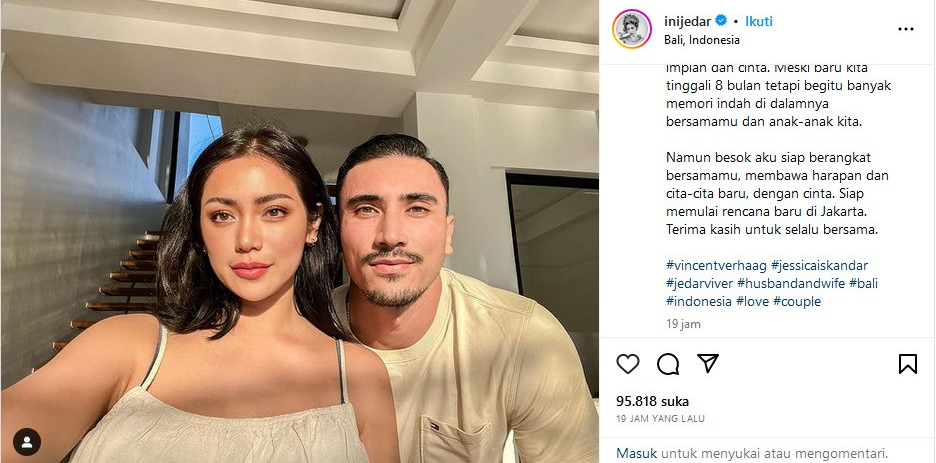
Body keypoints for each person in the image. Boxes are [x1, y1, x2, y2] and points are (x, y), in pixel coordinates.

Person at [2, 125, 399, 462]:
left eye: (274, 211)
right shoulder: (126, 347)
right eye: (222, 215)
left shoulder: (360, 376)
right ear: (200, 231)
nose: (246, 240)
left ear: (312, 223)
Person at [333, 134, 598, 462]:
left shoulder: (525, 336)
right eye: (366, 209)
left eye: (417, 209)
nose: (390, 235)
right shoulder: (301, 329)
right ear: (337, 231)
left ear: (448, 233)